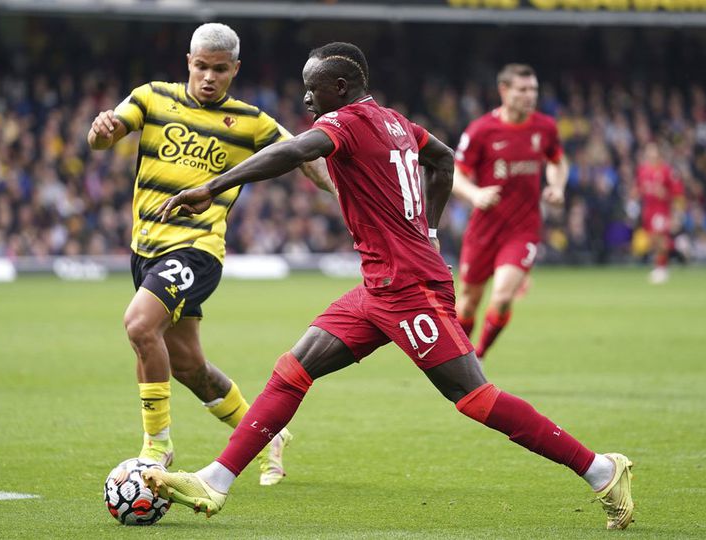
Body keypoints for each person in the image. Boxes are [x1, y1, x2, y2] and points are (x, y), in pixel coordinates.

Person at [140, 42, 634, 530]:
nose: (307, 102)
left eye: (313, 91)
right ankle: (216, 479)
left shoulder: (346, 122)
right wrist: (431, 231)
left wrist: (212, 185)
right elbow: (441, 159)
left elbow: (294, 150)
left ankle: (601, 470)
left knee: (474, 397)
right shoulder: (397, 121)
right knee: (293, 368)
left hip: (409, 288)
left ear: (339, 87)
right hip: (379, 286)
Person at [87, 23, 333, 486]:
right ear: (188, 62)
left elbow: (307, 155)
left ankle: (156, 448)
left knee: (140, 325)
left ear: (234, 70)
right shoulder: (151, 97)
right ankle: (268, 435)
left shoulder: (251, 122)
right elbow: (105, 136)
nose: (208, 77)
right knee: (188, 367)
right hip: (145, 251)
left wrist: (344, 193)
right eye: (201, 66)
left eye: (219, 69)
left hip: (198, 249)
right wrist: (99, 132)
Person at [450, 64, 569, 361]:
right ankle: (454, 363)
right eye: (523, 90)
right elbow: (455, 175)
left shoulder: (545, 128)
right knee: (467, 304)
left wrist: (557, 187)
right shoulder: (481, 130)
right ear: (504, 91)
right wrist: (476, 194)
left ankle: (477, 358)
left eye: (534, 90)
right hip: (484, 229)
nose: (530, 96)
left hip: (523, 228)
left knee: (502, 296)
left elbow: (557, 161)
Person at [635, 141, 684, 284]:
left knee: (660, 239)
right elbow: (639, 188)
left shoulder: (667, 171)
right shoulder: (643, 170)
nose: (650, 154)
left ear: (658, 153)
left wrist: (665, 195)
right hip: (648, 210)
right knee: (653, 240)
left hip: (661, 209)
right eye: (648, 151)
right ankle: (673, 251)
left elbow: (677, 193)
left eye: (653, 151)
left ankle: (662, 269)